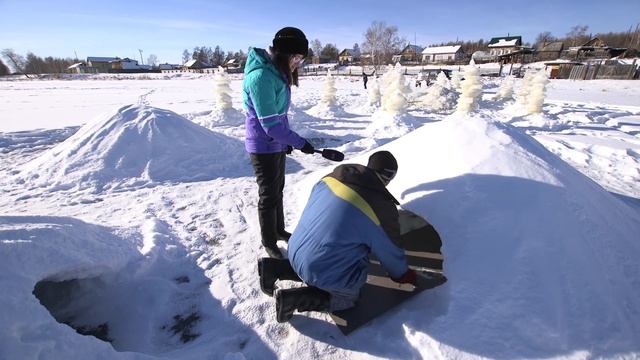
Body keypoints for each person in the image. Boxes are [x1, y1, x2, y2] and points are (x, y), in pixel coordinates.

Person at [258, 151, 417, 322]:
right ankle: (292, 299)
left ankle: (273, 268)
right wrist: (402, 275)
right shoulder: (379, 208)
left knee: (322, 258)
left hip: (295, 247)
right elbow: (390, 251)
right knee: (348, 298)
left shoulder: (332, 178)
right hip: (318, 266)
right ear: (389, 178)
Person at [243, 27, 316, 259]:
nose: (298, 63)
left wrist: (286, 142)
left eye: (301, 59)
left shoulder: (276, 74)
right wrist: (299, 141)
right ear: (283, 54)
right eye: (296, 57)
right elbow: (270, 125)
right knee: (268, 195)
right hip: (262, 145)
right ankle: (269, 241)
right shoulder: (261, 77)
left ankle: (279, 229)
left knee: (278, 191)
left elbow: (280, 117)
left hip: (276, 143)